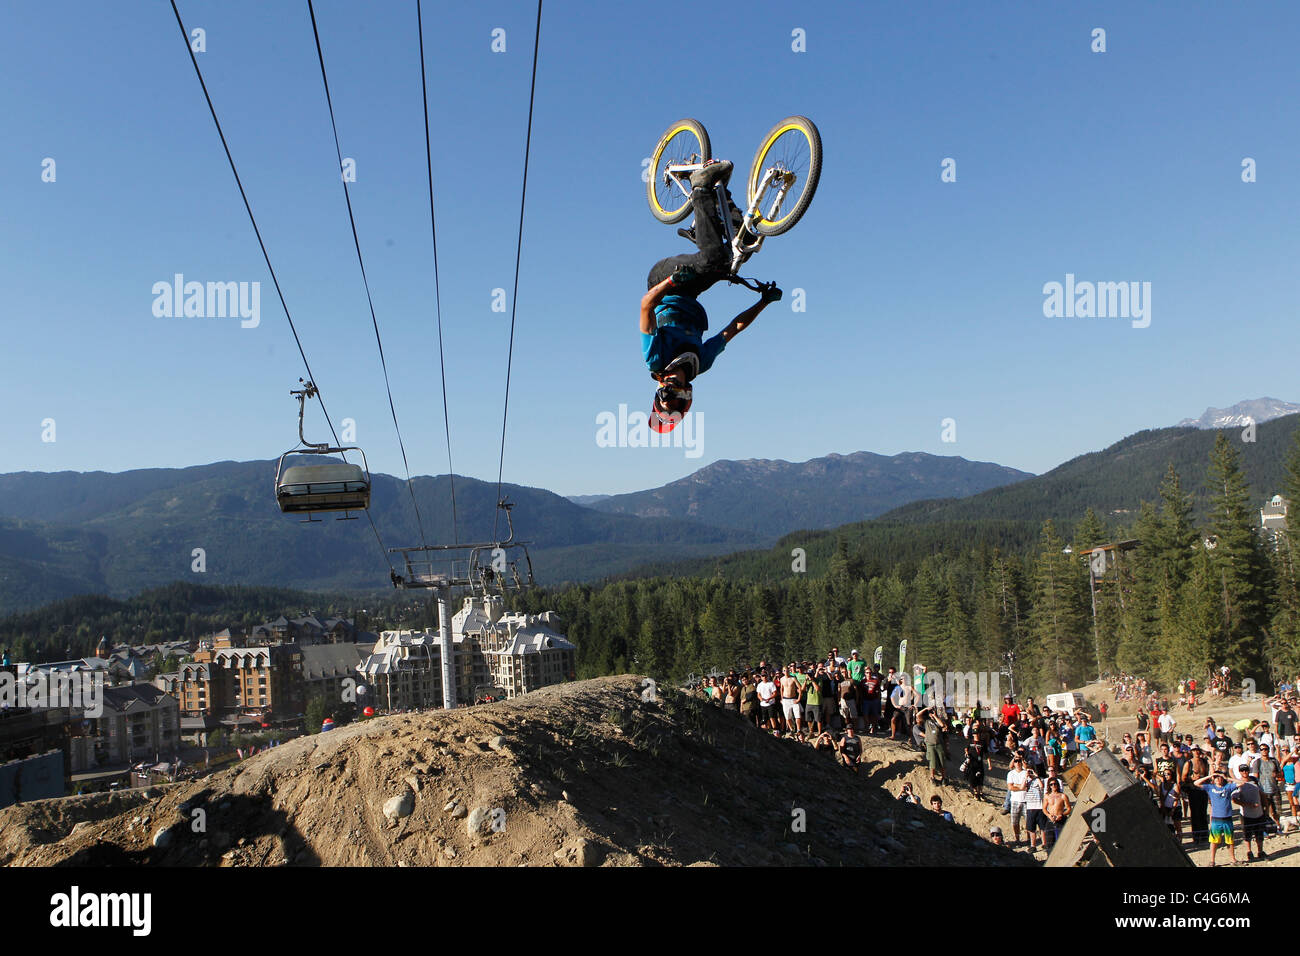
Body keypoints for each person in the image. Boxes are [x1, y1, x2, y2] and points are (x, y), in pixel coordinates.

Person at [641, 160, 781, 433]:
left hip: (661, 282)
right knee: (741, 251)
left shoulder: (655, 358)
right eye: (673, 399)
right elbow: (732, 330)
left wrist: (669, 282)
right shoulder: (700, 361)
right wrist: (763, 302)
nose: (668, 391)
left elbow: (647, 304)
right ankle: (722, 198)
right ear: (685, 396)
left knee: (710, 261)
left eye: (662, 397)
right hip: (690, 291)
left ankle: (701, 186)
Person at [1197, 769, 1239, 866]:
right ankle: (1212, 861)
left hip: (1227, 818)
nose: (1217, 779)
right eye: (1216, 777)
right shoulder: (1210, 787)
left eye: (1219, 777)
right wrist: (1210, 776)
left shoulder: (1228, 787)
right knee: (1214, 841)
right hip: (1216, 819)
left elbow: (1242, 783)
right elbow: (1196, 783)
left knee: (1230, 841)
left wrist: (1227, 778)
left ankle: (1233, 859)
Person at [1042, 777, 1072, 848]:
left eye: (1055, 784)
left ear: (1057, 785)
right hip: (1050, 820)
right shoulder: (1047, 796)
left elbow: (1068, 809)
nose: (1053, 786)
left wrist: (1062, 815)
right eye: (1051, 784)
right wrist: (1049, 815)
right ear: (1049, 786)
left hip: (1061, 819)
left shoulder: (1063, 796)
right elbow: (1044, 808)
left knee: (1062, 842)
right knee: (1049, 843)